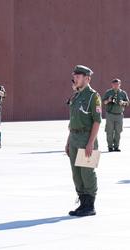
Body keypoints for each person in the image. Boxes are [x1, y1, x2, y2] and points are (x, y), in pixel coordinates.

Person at [65, 65, 102, 217]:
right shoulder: (76, 96)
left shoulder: (94, 96)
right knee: (76, 174)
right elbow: (72, 121)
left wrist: (90, 143)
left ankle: (90, 206)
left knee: (87, 172)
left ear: (87, 78)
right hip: (74, 138)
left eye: (78, 76)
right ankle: (82, 203)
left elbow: (97, 121)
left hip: (87, 138)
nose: (75, 78)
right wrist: (68, 142)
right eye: (74, 76)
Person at [102, 79, 129, 152]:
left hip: (119, 115)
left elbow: (127, 103)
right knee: (109, 131)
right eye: (114, 84)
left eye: (117, 84)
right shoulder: (108, 92)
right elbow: (104, 102)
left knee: (118, 131)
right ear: (112, 85)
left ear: (120, 84)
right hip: (110, 114)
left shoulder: (123, 93)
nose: (116, 86)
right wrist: (108, 100)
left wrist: (123, 102)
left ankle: (116, 146)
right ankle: (110, 147)